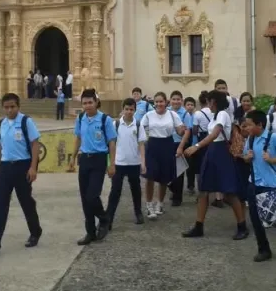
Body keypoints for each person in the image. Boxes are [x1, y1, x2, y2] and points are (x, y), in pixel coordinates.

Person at [0, 93, 43, 262]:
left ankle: (35, 232)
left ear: (18, 106)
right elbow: (2, 146)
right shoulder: (1, 124)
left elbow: (35, 144)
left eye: (12, 106)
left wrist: (33, 168)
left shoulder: (25, 122)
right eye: (6, 107)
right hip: (6, 168)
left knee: (26, 202)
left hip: (23, 167)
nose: (9, 110)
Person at [182, 90, 249, 240]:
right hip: (212, 153)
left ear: (214, 101)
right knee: (204, 190)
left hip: (221, 154)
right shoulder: (214, 116)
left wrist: (197, 146)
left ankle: (242, 226)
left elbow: (215, 134)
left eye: (209, 101)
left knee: (229, 192)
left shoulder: (223, 115)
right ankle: (198, 226)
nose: (207, 104)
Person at [242, 109, 276, 262]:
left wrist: (272, 160)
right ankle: (264, 250)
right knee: (256, 219)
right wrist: (248, 157)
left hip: (269, 184)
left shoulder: (273, 138)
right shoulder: (250, 139)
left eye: (249, 125)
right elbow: (246, 157)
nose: (247, 128)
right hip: (253, 182)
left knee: (271, 217)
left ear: (259, 124)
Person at [69, 89, 118, 245]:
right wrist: (72, 157)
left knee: (92, 195)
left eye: (90, 102)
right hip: (84, 159)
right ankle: (90, 232)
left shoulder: (105, 120)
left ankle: (104, 219)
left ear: (96, 102)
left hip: (99, 159)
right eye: (84, 103)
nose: (87, 106)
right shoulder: (81, 118)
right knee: (85, 199)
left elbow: (112, 142)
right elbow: (78, 138)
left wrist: (112, 164)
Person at [140, 92, 187, 220]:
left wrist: (183, 130)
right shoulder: (148, 115)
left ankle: (160, 204)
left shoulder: (173, 115)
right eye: (156, 102)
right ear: (153, 103)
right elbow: (141, 130)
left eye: (161, 101)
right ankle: (149, 205)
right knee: (149, 177)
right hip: (153, 145)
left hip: (167, 144)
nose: (159, 104)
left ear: (166, 102)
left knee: (164, 178)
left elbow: (179, 130)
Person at [105, 98, 148, 229]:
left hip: (134, 163)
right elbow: (110, 145)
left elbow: (141, 144)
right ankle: (109, 218)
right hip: (119, 163)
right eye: (127, 109)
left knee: (136, 190)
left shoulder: (138, 124)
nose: (129, 112)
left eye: (131, 109)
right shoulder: (115, 124)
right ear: (122, 110)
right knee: (115, 191)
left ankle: (138, 212)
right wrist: (110, 163)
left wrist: (143, 162)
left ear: (135, 110)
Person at [167, 90, 193, 206]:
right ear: (170, 100)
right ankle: (172, 188)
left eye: (178, 99)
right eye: (174, 99)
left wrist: (181, 147)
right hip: (167, 143)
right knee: (168, 170)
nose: (176, 101)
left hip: (179, 143)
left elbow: (187, 131)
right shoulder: (166, 112)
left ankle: (177, 198)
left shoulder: (185, 114)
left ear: (182, 101)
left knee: (179, 172)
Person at [233, 92, 256, 203]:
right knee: (242, 170)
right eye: (244, 101)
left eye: (248, 100)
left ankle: (251, 195)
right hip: (239, 142)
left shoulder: (255, 113)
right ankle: (243, 195)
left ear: (252, 102)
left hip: (251, 140)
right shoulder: (237, 112)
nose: (246, 103)